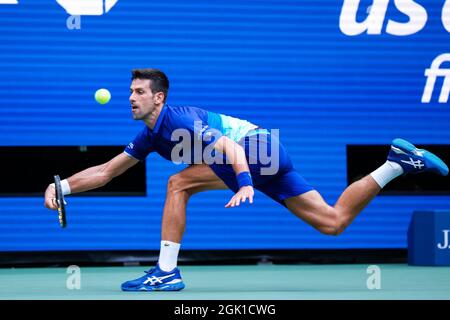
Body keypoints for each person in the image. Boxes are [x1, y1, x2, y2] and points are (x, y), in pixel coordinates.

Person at [44, 68, 449, 292]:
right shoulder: (149, 135)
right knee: (333, 222)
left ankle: (167, 272)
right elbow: (105, 172)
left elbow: (232, 151)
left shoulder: (181, 120)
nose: (130, 97)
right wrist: (61, 187)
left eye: (138, 92)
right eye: (129, 92)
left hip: (256, 152)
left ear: (158, 98)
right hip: (269, 155)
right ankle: (397, 164)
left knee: (177, 184)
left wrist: (245, 182)